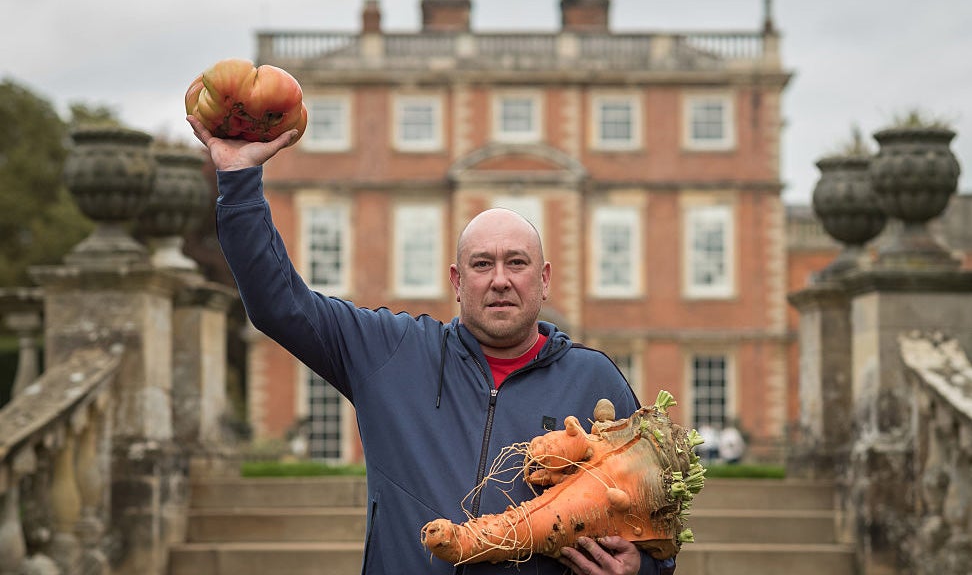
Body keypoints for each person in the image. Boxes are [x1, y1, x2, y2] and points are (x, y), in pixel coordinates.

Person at [187, 116, 675, 575]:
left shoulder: (594, 380)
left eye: (517, 263)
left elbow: (656, 521)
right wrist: (238, 176)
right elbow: (278, 304)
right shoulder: (390, 354)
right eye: (482, 265)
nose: (500, 280)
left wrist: (643, 567)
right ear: (457, 282)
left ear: (544, 280)